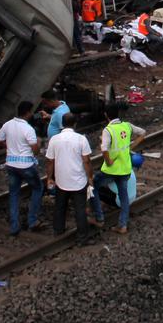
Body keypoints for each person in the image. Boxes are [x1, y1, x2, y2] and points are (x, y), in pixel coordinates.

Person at [0, 101, 44, 236]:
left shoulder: (7, 125)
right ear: (28, 112)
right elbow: (35, 150)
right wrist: (39, 144)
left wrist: (9, 147)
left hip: (11, 165)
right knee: (37, 188)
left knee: (14, 193)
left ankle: (14, 226)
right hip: (26, 165)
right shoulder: (28, 129)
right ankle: (32, 220)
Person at [44, 112, 95, 239]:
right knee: (80, 209)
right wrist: (90, 177)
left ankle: (58, 229)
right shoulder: (81, 139)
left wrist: (50, 177)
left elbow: (50, 161)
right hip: (78, 181)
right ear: (75, 124)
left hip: (61, 180)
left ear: (62, 124)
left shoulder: (54, 140)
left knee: (60, 206)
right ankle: (82, 237)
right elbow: (87, 161)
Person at [97, 102, 145, 234]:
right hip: (125, 168)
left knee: (92, 185)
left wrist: (108, 161)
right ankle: (122, 225)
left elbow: (104, 148)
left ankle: (97, 216)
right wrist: (131, 146)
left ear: (106, 115)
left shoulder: (108, 130)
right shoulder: (127, 126)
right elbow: (143, 132)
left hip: (112, 169)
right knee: (123, 196)